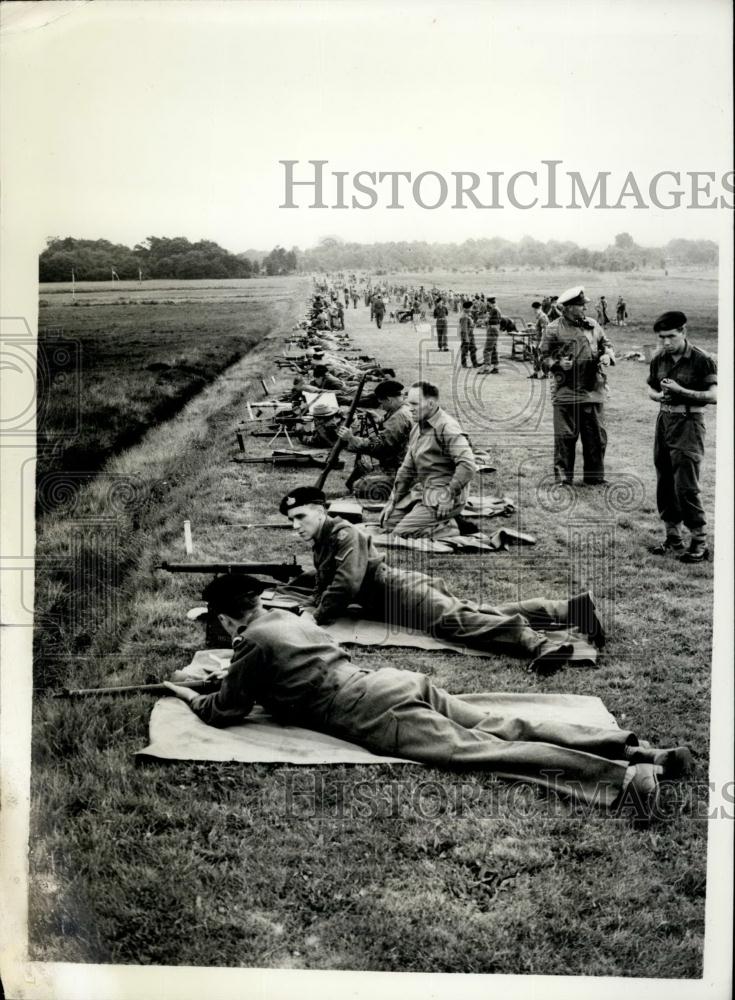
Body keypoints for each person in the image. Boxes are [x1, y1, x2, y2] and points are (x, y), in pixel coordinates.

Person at [165, 575, 693, 817]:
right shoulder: (286, 618)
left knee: (486, 752)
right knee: (505, 726)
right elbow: (277, 672)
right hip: (393, 681)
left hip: (369, 710)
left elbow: (226, 711)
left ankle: (626, 782)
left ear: (229, 617)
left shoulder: (251, 642)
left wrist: (188, 694)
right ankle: (636, 748)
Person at [279, 486, 605, 672]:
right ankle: (570, 611)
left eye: (300, 517)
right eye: (291, 520)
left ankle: (537, 643)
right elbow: (324, 584)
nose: (295, 526)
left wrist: (317, 615)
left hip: (399, 592)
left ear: (320, 511)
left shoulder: (344, 533)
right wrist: (309, 606)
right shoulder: (323, 542)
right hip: (393, 598)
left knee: (458, 623)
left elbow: (346, 583)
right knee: (475, 612)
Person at [646, 311, 717, 563]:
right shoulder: (659, 358)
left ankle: (699, 542)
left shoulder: (701, 359)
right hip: (664, 422)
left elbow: (714, 396)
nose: (666, 342)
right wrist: (659, 396)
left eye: (671, 336)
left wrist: (680, 391)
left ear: (684, 332)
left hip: (689, 423)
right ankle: (673, 538)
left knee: (686, 485)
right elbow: (652, 389)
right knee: (664, 480)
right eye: (661, 337)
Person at [378, 381, 475, 538]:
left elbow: (468, 465)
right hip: (424, 491)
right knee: (388, 523)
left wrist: (448, 494)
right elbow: (406, 469)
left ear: (430, 403)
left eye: (415, 404)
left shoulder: (447, 427)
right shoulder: (417, 426)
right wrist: (393, 500)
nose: (410, 408)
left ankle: (453, 527)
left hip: (444, 495)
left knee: (400, 533)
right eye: (409, 403)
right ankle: (431, 518)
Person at [539, 286, 615, 486]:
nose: (585, 309)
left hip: (593, 391)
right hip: (566, 392)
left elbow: (607, 344)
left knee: (596, 438)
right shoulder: (553, 329)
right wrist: (557, 364)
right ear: (569, 308)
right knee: (565, 438)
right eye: (581, 306)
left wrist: (607, 355)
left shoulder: (593, 325)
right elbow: (542, 358)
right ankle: (564, 479)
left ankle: (595, 477)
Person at [337, 379, 413, 500]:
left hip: (400, 470)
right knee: (363, 465)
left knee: (357, 486)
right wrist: (380, 420)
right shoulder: (404, 408)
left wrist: (351, 438)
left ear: (389, 399)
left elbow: (380, 446)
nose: (381, 407)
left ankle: (400, 490)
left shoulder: (399, 417)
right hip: (402, 463)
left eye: (382, 403)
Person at [478, 295, 501, 374]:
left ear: (489, 303)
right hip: (495, 329)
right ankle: (495, 367)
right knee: (493, 349)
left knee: (487, 349)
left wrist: (481, 322)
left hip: (492, 330)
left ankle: (486, 367)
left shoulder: (493, 310)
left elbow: (488, 319)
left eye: (487, 303)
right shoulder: (497, 308)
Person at [528, 301, 549, 379]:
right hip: (538, 339)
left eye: (535, 309)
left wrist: (541, 343)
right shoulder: (539, 316)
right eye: (534, 309)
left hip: (541, 340)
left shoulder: (542, 317)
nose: (534, 311)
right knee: (536, 356)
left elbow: (545, 330)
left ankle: (543, 374)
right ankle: (536, 373)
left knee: (541, 357)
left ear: (539, 308)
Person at [458, 301, 478, 368]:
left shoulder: (468, 315)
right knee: (465, 350)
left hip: (470, 335)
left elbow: (470, 325)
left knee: (473, 349)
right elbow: (464, 329)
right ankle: (464, 364)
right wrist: (466, 339)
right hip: (467, 336)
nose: (471, 309)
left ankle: (475, 363)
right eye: (471, 307)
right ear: (467, 308)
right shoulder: (464, 316)